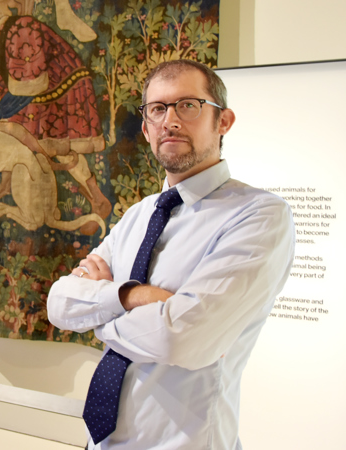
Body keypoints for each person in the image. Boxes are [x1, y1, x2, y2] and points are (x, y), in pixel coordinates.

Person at [47, 59, 296, 449]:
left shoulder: (259, 215)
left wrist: (99, 314)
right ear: (146, 128)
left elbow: (180, 339)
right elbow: (60, 305)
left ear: (223, 121)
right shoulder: (138, 214)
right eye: (158, 109)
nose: (170, 120)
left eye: (188, 105)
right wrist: (136, 296)